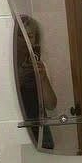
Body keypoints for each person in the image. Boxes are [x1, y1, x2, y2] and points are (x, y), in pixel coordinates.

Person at [14, 15, 58, 149]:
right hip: (17, 134)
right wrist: (20, 76)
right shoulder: (8, 69)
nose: (25, 41)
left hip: (42, 134)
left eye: (30, 36)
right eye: (21, 36)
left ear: (35, 40)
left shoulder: (40, 67)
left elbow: (51, 105)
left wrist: (43, 78)